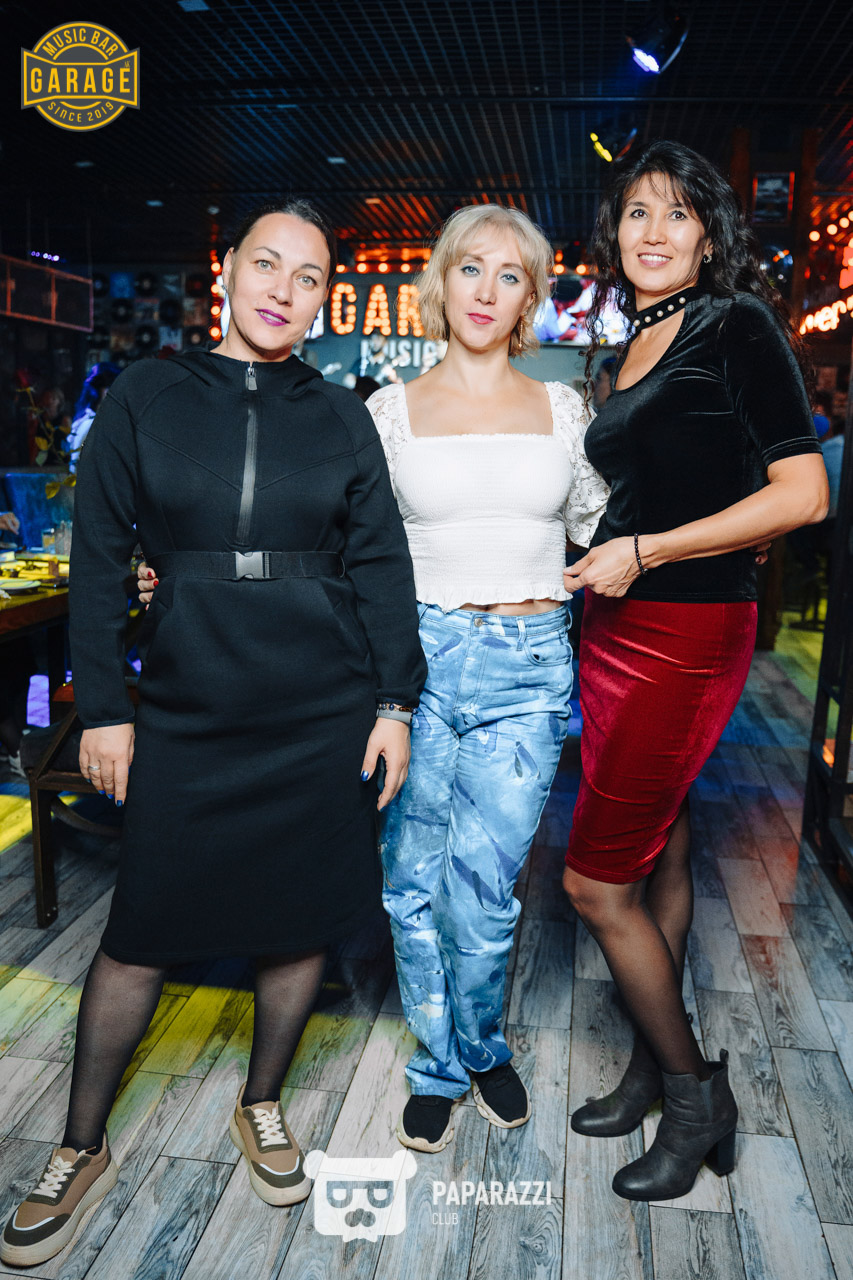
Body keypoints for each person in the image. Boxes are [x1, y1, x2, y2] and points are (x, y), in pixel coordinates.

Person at [0, 201, 425, 1268]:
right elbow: (99, 560)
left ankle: (262, 1101)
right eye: (266, 264)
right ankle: (79, 1143)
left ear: (324, 299)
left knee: (299, 916)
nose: (283, 288)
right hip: (187, 702)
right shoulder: (146, 395)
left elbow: (382, 565)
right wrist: (106, 709)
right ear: (225, 269)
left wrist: (394, 704)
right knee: (140, 925)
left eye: (308, 276)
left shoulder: (343, 417)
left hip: (320, 705)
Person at [561, 141, 828, 1203]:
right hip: (614, 627)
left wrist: (649, 551)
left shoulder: (735, 324)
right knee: (658, 844)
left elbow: (802, 492)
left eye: (677, 213)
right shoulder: (628, 345)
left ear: (709, 237)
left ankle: (692, 1096)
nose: (654, 231)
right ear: (613, 232)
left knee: (592, 880)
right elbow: (631, 496)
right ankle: (647, 1064)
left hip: (686, 628)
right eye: (636, 212)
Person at [365, 204, 609, 1153]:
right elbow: (351, 550)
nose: (486, 289)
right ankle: (437, 1064)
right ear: (441, 280)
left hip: (528, 661)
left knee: (487, 885)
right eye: (471, 268)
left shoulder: (562, 410)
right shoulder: (389, 413)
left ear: (528, 300)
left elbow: (603, 526)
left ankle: (481, 1044)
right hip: (416, 663)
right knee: (410, 879)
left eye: (509, 275)